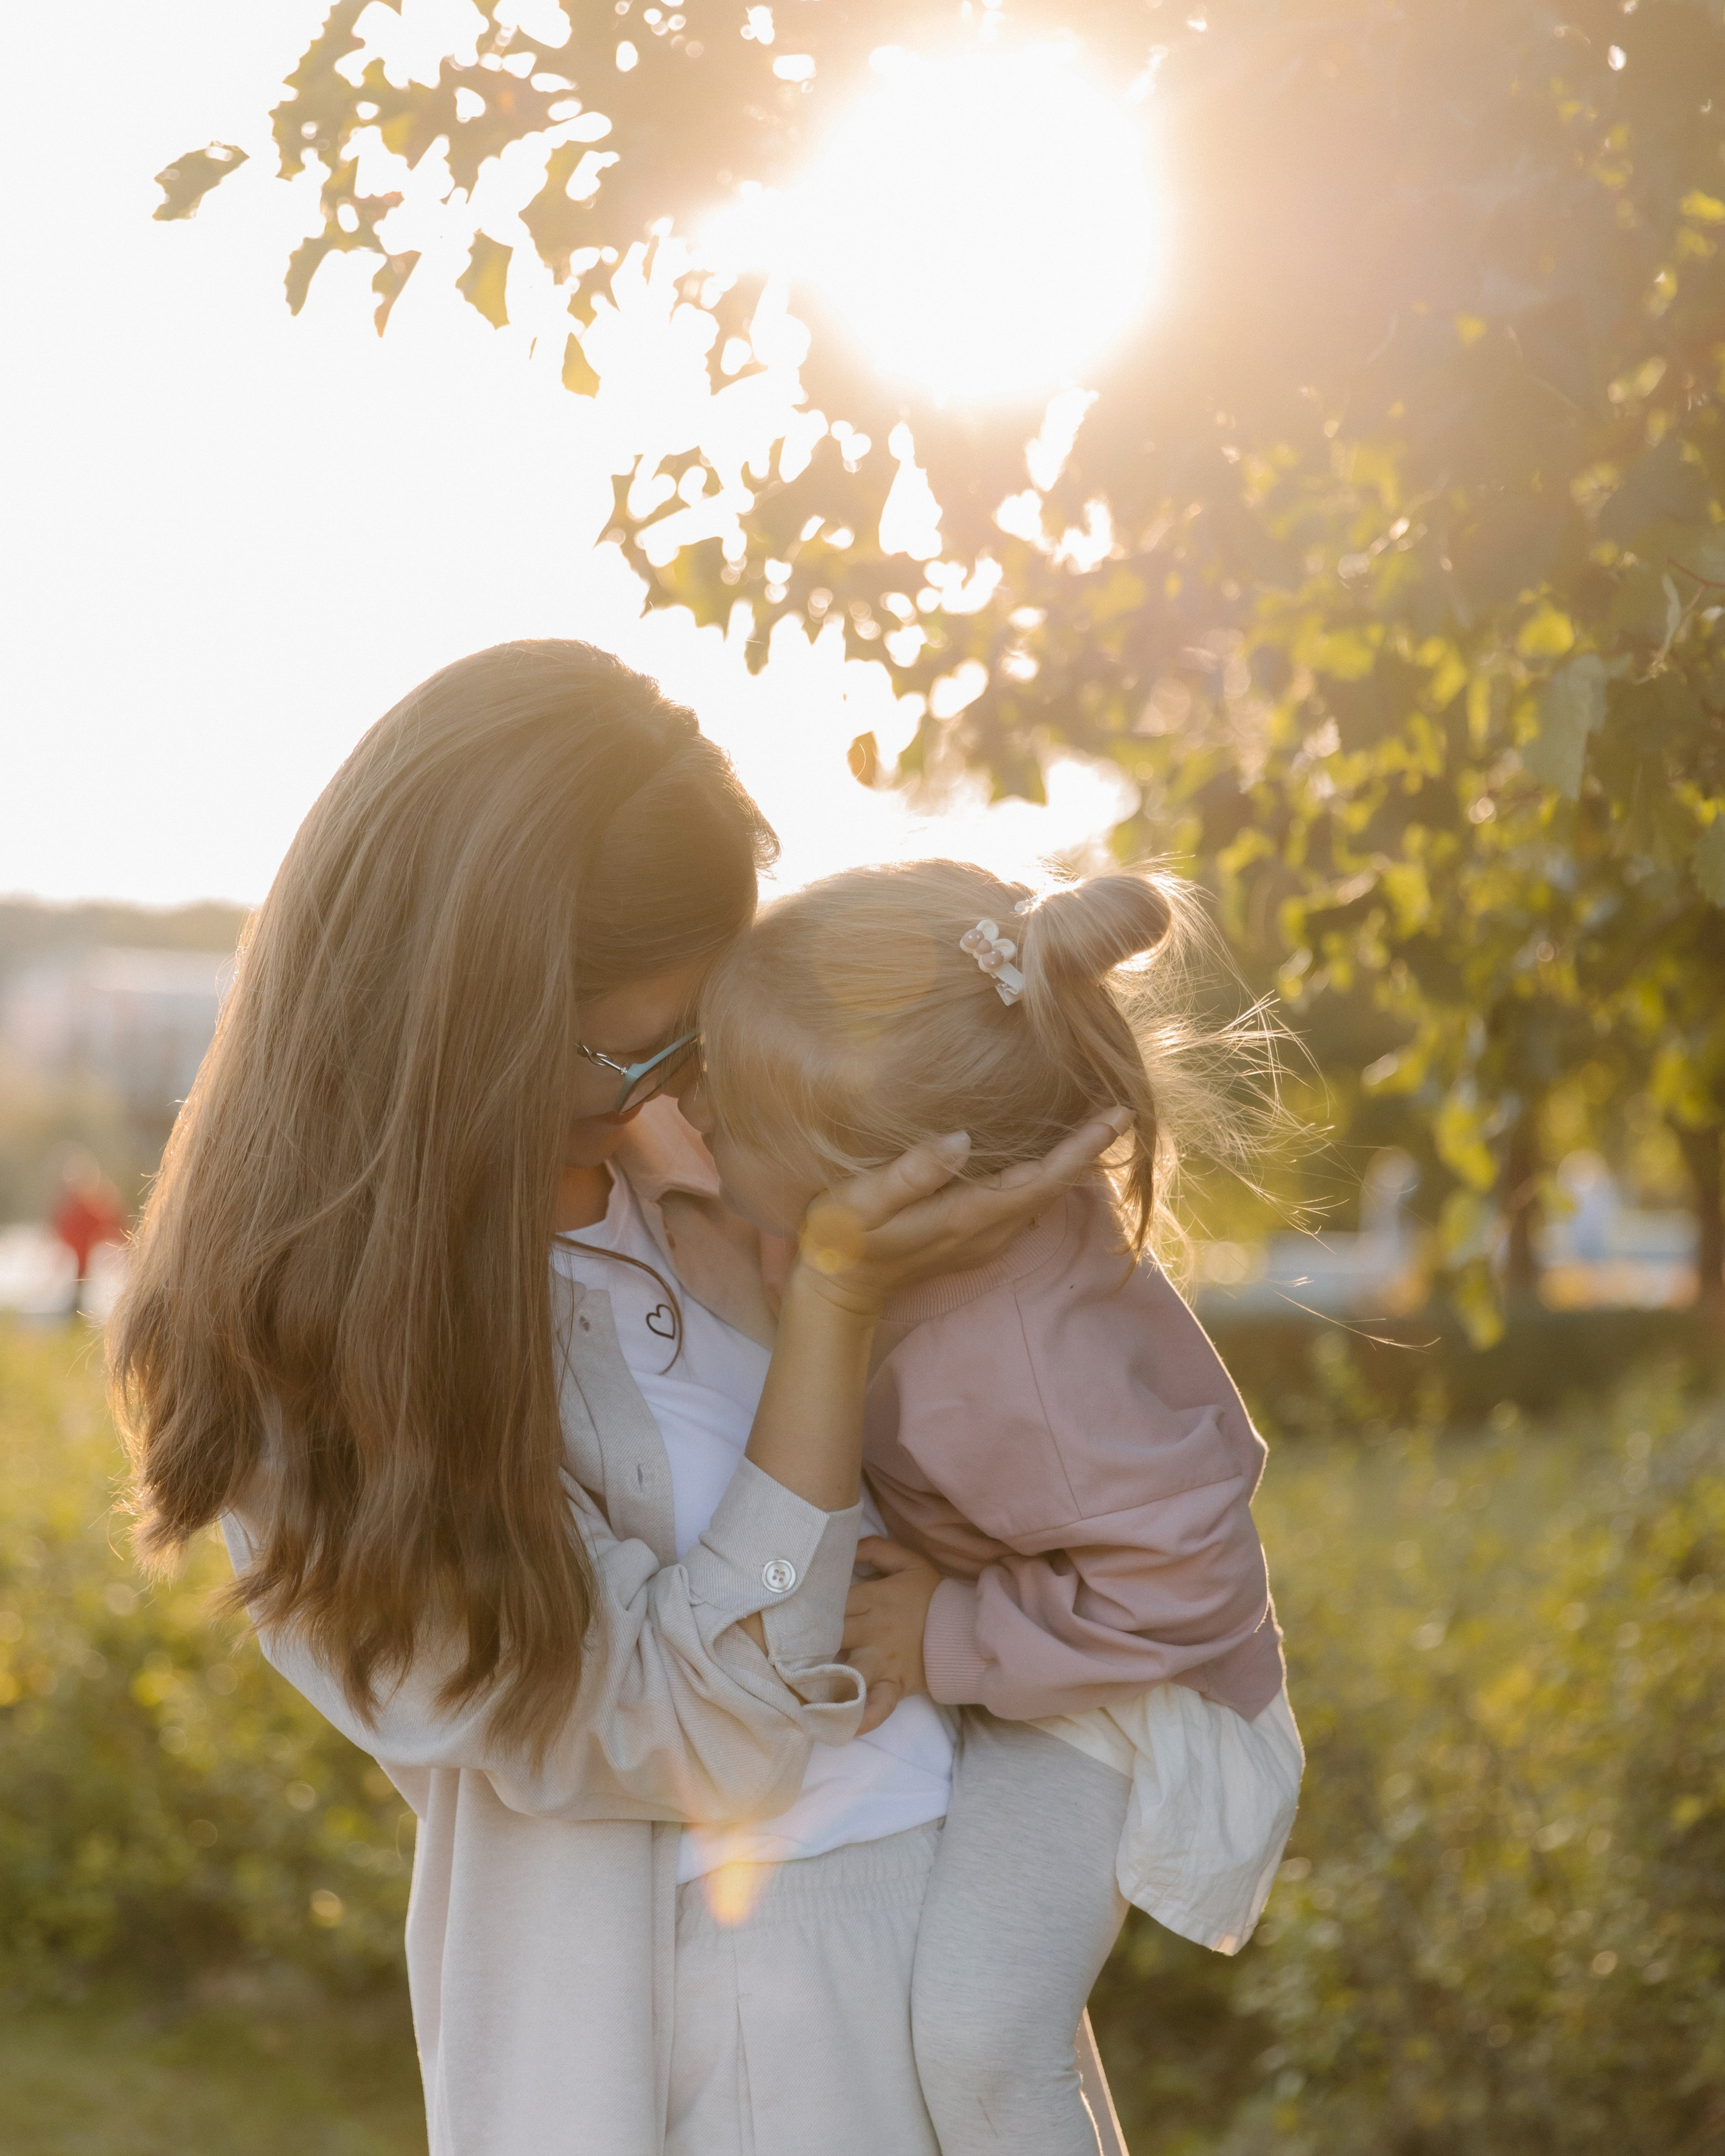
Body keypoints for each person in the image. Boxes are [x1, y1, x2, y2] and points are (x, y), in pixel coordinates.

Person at [108, 641, 1124, 2156]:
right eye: (622, 1051)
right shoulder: (301, 1372)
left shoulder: (720, 1165)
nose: (665, 1090)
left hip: (975, 1987)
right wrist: (832, 1312)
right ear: (456, 1014)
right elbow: (695, 1743)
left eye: (690, 1037)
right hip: (724, 2044)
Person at [688, 856, 1305, 2156]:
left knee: (984, 2045)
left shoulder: (1026, 1357)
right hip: (1049, 1637)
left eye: (729, 1109)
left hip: (1122, 1695)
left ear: (897, 1179)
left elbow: (1193, 1583)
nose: (694, 1113)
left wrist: (951, 1634)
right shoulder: (901, 1225)